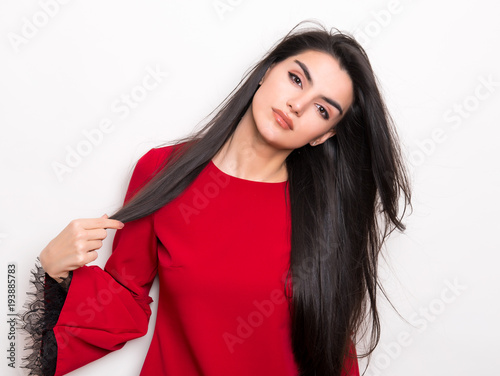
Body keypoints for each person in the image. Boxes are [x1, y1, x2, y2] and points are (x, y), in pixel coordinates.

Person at [17, 20, 412, 376]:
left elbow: (333, 346)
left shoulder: (327, 213)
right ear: (266, 71)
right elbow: (125, 298)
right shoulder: (163, 170)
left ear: (323, 135)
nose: (298, 104)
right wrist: (53, 271)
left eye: (322, 109)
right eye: (296, 79)